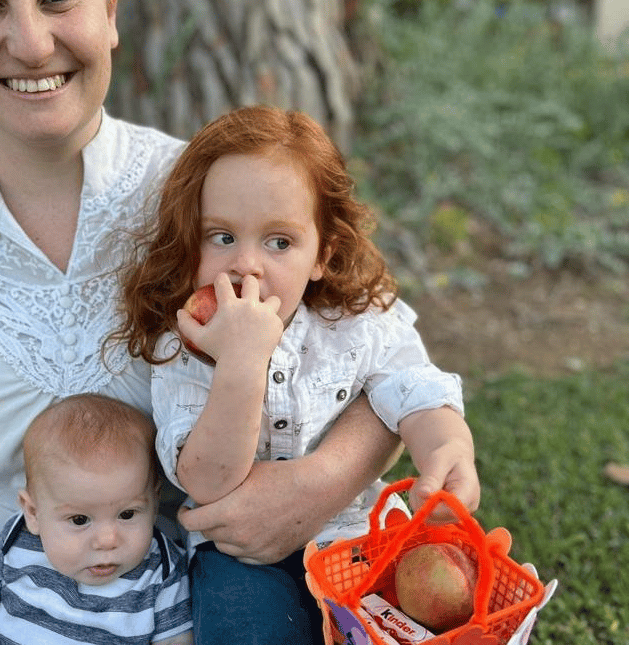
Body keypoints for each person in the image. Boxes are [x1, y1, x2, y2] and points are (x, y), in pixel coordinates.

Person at [0, 0, 403, 643]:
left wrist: (319, 481)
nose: (30, 40)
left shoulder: (209, 200)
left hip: (186, 587)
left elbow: (382, 362)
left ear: (109, 8)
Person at [113, 106, 481, 644]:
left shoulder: (356, 324)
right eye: (221, 237)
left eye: (279, 242)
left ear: (321, 256)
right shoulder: (186, 344)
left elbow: (413, 388)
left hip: (361, 537)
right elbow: (207, 481)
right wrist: (240, 361)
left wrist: (447, 442)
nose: (247, 265)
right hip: (239, 554)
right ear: (190, 242)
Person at [0, 394, 193, 645]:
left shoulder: (162, 573)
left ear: (154, 502)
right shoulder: (14, 546)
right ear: (33, 513)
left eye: (127, 514)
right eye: (79, 520)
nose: (108, 540)